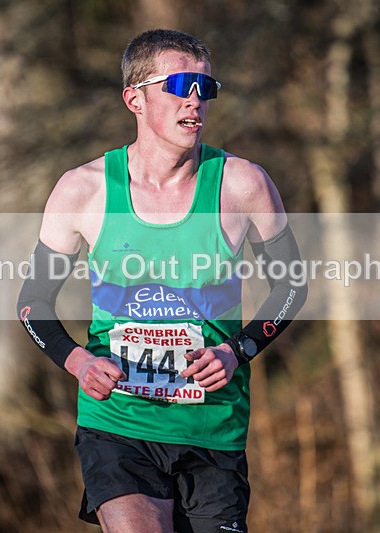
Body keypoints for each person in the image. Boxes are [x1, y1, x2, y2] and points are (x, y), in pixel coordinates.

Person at [18, 29, 306, 533]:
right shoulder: (84, 190)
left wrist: (236, 351)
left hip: (213, 429)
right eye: (178, 85)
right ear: (135, 98)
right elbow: (33, 301)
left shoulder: (242, 184)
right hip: (119, 426)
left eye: (205, 88)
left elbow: (292, 287)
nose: (195, 101)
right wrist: (78, 360)